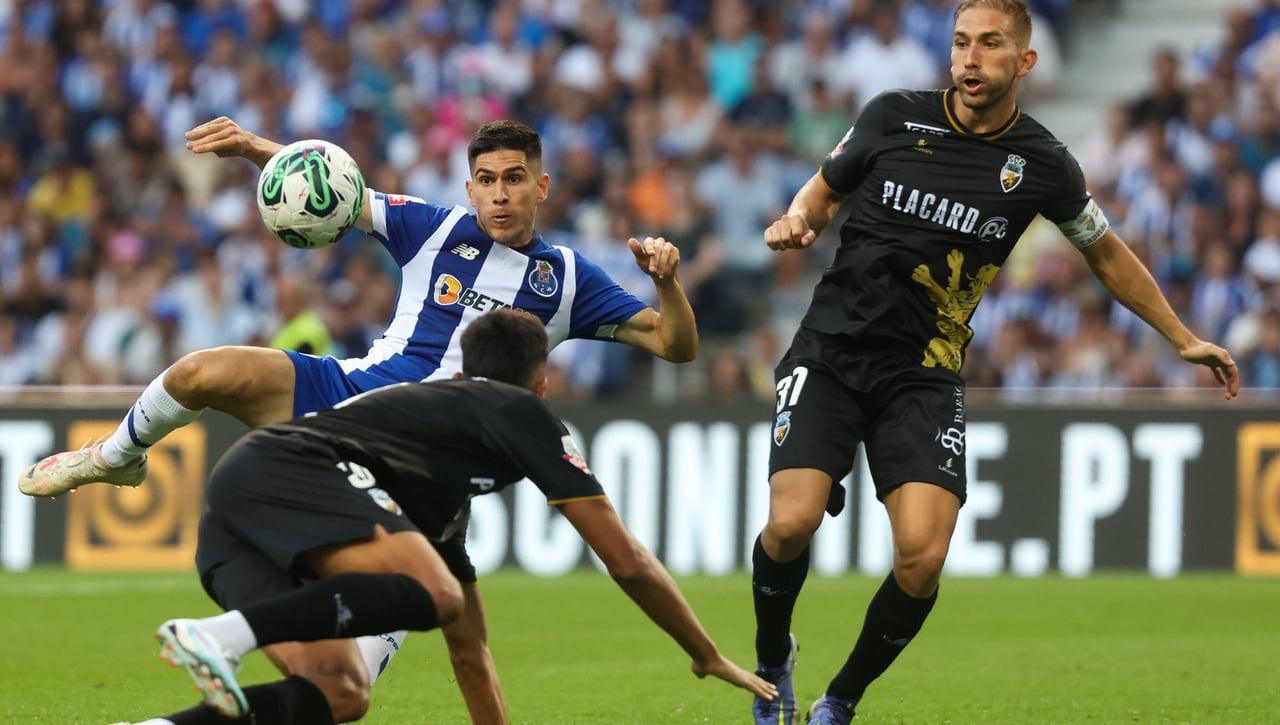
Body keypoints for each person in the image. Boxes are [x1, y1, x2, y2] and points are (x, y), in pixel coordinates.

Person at [22, 117, 698, 724]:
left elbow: (674, 345)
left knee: (341, 693)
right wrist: (257, 148)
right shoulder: (431, 227)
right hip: (344, 394)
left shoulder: (570, 279)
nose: (499, 194)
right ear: (469, 187)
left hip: (417, 475)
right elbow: (333, 190)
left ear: (541, 186)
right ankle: (114, 456)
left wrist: (667, 280)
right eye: (486, 180)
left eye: (514, 180)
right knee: (203, 371)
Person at [747, 2, 1242, 725]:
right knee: (790, 524)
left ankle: (840, 700)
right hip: (831, 350)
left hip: (924, 372)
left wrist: (1180, 335)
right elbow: (823, 192)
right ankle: (771, 662)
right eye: (959, 44)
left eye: (989, 45)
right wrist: (801, 219)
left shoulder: (1044, 163)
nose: (970, 59)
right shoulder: (892, 116)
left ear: (1025, 62)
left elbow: (1105, 252)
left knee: (921, 558)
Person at [111, 309, 775, 724]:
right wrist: (706, 652)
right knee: (432, 590)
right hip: (291, 468)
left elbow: (470, 649)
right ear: (540, 383)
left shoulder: (429, 475)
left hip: (235, 516)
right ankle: (224, 636)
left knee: (340, 691)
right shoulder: (520, 411)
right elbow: (625, 558)